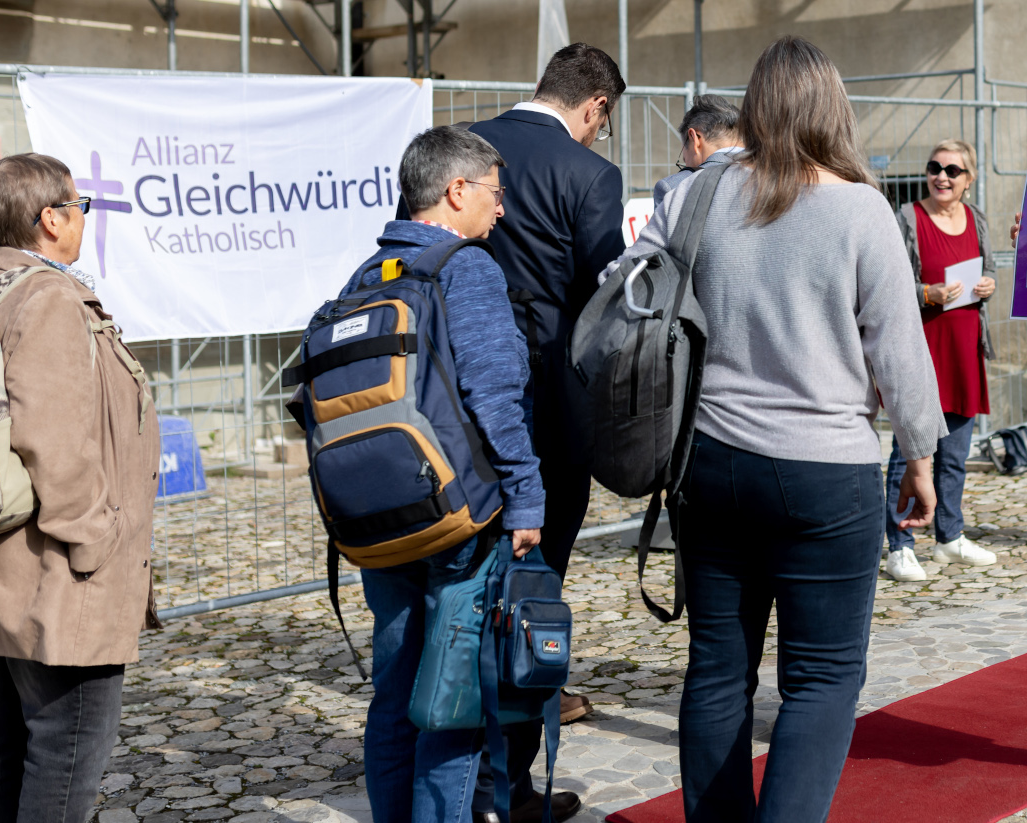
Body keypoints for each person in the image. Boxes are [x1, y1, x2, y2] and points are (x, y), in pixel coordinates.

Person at [609, 35, 942, 822]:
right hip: (827, 469)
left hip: (711, 461)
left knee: (718, 670)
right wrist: (921, 456)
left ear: (755, 107)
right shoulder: (862, 208)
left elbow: (623, 287)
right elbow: (899, 353)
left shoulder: (701, 191)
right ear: (834, 107)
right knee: (823, 679)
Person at [0, 153, 159, 822]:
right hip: (53, 578)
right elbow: (57, 443)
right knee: (66, 753)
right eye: (79, 206)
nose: (82, 218)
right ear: (52, 218)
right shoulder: (46, 297)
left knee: (6, 746)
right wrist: (97, 543)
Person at [351, 126, 574, 822]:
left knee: (395, 693)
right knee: (452, 700)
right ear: (456, 191)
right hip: (457, 518)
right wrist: (527, 497)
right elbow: (495, 395)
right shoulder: (466, 266)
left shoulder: (365, 274)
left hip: (378, 520)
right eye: (494, 195)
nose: (500, 211)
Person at [462, 42, 627, 787]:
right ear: (595, 105)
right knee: (535, 584)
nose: (602, 135)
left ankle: (459, 755)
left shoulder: (463, 149)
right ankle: (509, 780)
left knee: (466, 582)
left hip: (459, 399)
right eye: (606, 121)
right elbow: (604, 294)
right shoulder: (589, 172)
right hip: (550, 400)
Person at [879, 139, 1000, 582]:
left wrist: (988, 285)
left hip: (964, 350)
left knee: (955, 455)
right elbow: (886, 283)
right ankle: (901, 545)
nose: (942, 177)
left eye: (953, 170)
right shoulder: (907, 219)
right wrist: (924, 294)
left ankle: (950, 536)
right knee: (909, 450)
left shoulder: (977, 219)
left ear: (968, 180)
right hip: (922, 350)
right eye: (935, 167)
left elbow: (989, 271)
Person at [652, 94, 744, 208]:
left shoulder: (673, 188)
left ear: (694, 138)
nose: (686, 164)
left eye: (684, 159)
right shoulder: (769, 175)